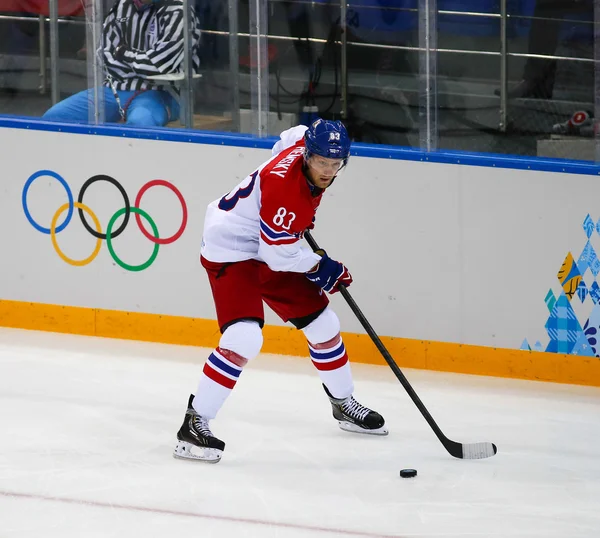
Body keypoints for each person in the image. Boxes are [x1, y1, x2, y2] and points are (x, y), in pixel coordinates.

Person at [174, 118, 388, 463]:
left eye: (336, 164)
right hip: (231, 249)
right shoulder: (289, 194)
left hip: (268, 241)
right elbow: (279, 255)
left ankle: (343, 403)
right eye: (321, 162)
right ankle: (194, 424)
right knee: (243, 339)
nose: (328, 171)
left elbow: (290, 134)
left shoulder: (301, 142)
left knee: (324, 325)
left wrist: (289, 233)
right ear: (307, 156)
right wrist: (322, 267)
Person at [42, 0, 201, 127]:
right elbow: (102, 55)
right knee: (54, 117)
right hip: (113, 90)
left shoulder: (180, 12)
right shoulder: (122, 6)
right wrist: (140, 61)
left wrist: (122, 53)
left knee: (141, 122)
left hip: (162, 93)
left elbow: (159, 66)